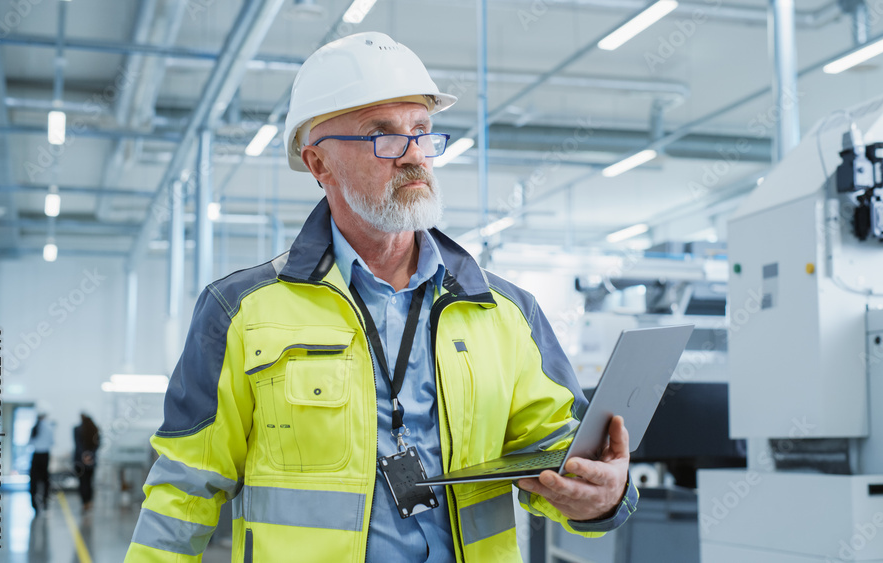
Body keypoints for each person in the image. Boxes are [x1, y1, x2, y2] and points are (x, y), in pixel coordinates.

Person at [126, 32, 638, 562]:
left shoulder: (505, 313)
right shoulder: (241, 312)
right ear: (319, 164)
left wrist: (601, 495)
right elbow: (184, 490)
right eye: (384, 136)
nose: (414, 154)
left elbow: (558, 454)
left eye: (421, 131)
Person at [28, 412, 54, 513]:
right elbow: (52, 442)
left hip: (36, 454)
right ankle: (45, 502)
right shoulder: (49, 427)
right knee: (45, 480)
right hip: (44, 455)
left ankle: (34, 504)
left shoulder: (35, 427)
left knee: (34, 480)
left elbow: (30, 442)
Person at [73, 413, 100, 511]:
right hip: (91, 461)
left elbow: (78, 445)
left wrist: (84, 456)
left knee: (82, 482)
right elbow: (97, 445)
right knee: (89, 482)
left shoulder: (77, 429)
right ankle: (89, 502)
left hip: (80, 461)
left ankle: (85, 503)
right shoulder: (95, 429)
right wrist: (90, 455)